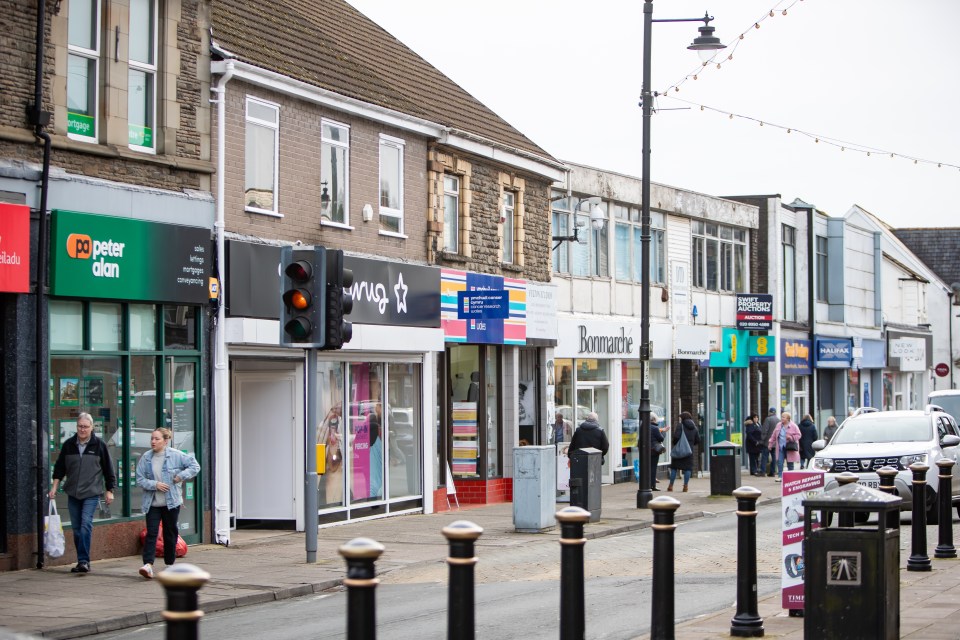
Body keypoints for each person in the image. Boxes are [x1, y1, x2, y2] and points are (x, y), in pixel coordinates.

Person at [49, 412, 116, 574]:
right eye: (80, 426)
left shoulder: (99, 445)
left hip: (91, 493)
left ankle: (84, 561)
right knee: (77, 529)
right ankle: (81, 561)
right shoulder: (69, 445)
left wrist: (110, 490)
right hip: (73, 493)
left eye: (86, 427)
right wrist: (54, 487)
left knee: (86, 525)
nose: (82, 429)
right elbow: (59, 468)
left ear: (92, 428)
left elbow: (108, 469)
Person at [135, 428, 200, 579]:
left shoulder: (176, 455)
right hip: (152, 503)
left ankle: (170, 564)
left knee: (170, 532)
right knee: (152, 532)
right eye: (152, 438)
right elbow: (140, 478)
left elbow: (195, 466)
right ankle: (148, 565)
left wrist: (180, 476)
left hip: (171, 502)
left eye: (157, 439)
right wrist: (155, 484)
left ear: (165, 441)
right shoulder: (146, 457)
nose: (153, 441)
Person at [668, 411, 701, 492]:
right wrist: (691, 445)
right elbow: (698, 440)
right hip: (689, 451)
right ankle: (685, 486)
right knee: (688, 469)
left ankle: (671, 486)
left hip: (679, 450)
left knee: (674, 468)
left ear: (682, 418)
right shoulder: (694, 428)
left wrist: (675, 444)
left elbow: (676, 437)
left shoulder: (680, 426)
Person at [318, 404, 344, 504]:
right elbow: (320, 436)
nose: (336, 413)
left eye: (338, 410)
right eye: (334, 410)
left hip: (337, 460)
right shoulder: (326, 423)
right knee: (330, 483)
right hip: (328, 458)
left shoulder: (341, 422)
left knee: (336, 485)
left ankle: (336, 502)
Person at [769, 412, 801, 482]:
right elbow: (774, 435)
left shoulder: (793, 426)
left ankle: (791, 477)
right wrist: (770, 444)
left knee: (790, 462)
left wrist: (791, 437)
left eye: (784, 417)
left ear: (788, 418)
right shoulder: (778, 425)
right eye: (782, 416)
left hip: (790, 447)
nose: (782, 418)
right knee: (780, 462)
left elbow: (799, 435)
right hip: (780, 447)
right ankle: (780, 476)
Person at [760, 408, 780, 477]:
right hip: (775, 442)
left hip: (767, 442)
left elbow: (764, 431)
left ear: (769, 412)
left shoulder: (768, 419)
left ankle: (762, 472)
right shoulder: (778, 420)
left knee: (764, 457)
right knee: (774, 457)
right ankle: (773, 472)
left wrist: (762, 440)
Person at [649, 413, 666, 490]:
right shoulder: (655, 428)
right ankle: (653, 485)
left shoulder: (643, 426)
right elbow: (661, 439)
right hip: (653, 450)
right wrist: (663, 432)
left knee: (646, 468)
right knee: (653, 467)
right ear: (654, 419)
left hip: (645, 450)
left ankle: (646, 484)